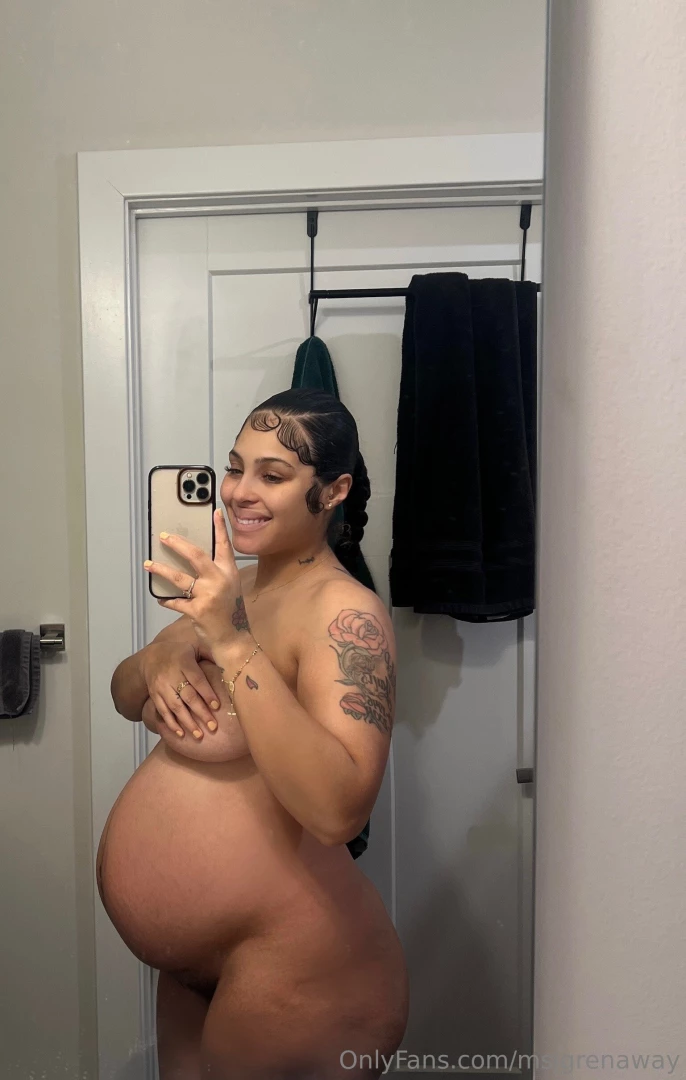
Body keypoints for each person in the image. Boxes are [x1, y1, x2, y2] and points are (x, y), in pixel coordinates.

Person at [99, 389, 409, 1080]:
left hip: (298, 967)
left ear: (333, 490)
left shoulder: (345, 614)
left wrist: (231, 645)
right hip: (198, 967)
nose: (239, 491)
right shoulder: (231, 587)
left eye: (273, 475)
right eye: (236, 467)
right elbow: (123, 695)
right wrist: (156, 662)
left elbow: (339, 810)